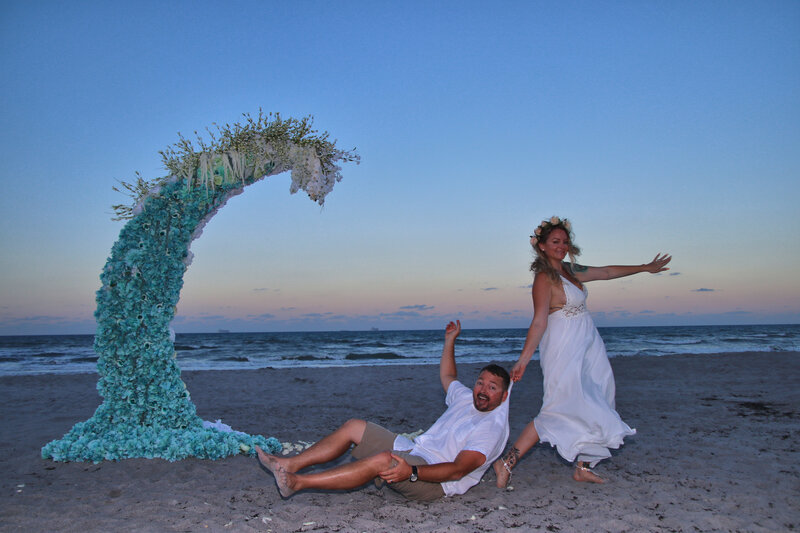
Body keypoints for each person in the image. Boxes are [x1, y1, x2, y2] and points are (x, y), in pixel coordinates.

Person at [493, 216, 671, 486]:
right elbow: (539, 320)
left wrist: (645, 267)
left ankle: (584, 466)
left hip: (588, 342)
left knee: (600, 395)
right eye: (555, 242)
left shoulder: (570, 271)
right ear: (541, 246)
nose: (561, 246)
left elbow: (607, 272)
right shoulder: (544, 278)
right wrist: (524, 360)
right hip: (563, 346)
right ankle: (506, 463)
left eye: (565, 241)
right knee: (559, 406)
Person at [256, 320, 511, 501]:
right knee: (355, 426)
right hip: (415, 449)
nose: (482, 390)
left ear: (504, 395)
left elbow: (457, 470)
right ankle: (289, 464)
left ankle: (297, 483)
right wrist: (449, 341)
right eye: (481, 382)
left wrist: (410, 472)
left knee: (383, 460)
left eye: (492, 387)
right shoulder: (467, 398)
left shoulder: (491, 427)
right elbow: (448, 375)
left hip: (436, 482)